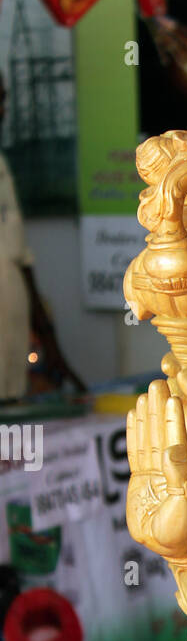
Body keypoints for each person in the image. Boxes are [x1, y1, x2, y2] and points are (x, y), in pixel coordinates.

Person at [0, 71, 85, 401]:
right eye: (0, 100)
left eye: (4, 100)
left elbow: (19, 254)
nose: (4, 111)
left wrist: (49, 339)